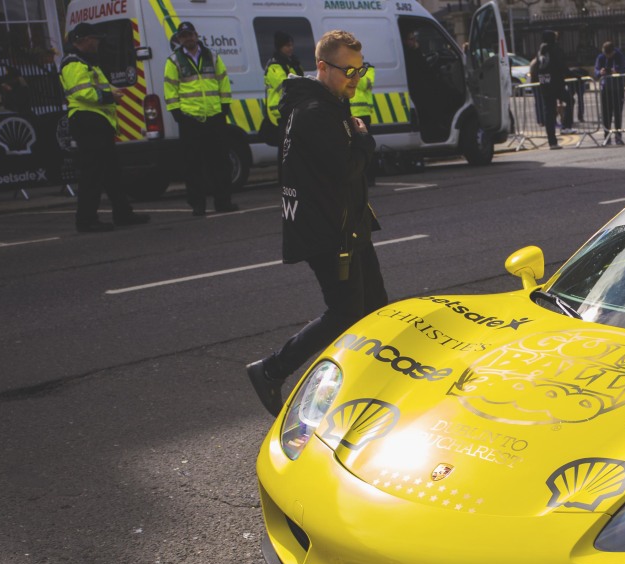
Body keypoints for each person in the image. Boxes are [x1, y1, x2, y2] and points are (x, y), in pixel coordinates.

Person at [246, 30, 385, 416]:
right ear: (323, 66)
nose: (355, 79)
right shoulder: (314, 113)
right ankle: (272, 370)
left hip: (348, 223)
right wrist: (362, 138)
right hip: (329, 229)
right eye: (348, 71)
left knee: (376, 309)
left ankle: (374, 384)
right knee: (343, 313)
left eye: (361, 70)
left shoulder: (326, 102)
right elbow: (346, 167)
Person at [60, 23, 149, 233]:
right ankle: (86, 220)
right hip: (87, 120)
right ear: (84, 40)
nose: (98, 42)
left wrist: (111, 91)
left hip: (98, 121)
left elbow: (95, 87)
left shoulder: (87, 62)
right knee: (92, 174)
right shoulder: (73, 62)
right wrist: (110, 96)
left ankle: (123, 213)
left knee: (111, 172)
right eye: (95, 39)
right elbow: (81, 92)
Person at [164, 21, 237, 216]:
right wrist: (177, 114)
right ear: (179, 39)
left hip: (214, 117)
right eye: (183, 36)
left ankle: (223, 202)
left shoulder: (211, 57)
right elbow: (170, 89)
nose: (188, 38)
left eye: (190, 34)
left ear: (196, 35)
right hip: (190, 120)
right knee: (193, 165)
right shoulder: (174, 61)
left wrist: (224, 107)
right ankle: (198, 205)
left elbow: (223, 82)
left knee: (220, 163)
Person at [263, 31, 303, 146]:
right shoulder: (275, 65)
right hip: (280, 110)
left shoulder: (292, 62)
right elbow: (284, 85)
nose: (291, 48)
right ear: (280, 47)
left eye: (291, 45)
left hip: (291, 107)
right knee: (285, 147)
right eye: (287, 46)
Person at [532, 30, 569, 149]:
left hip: (544, 83)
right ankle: (566, 126)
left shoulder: (540, 51)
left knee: (549, 112)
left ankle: (552, 142)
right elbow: (562, 66)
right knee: (570, 100)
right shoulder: (555, 49)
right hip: (556, 83)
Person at [594, 40, 625, 144]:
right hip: (605, 89)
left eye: (609, 54)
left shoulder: (619, 55)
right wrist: (600, 72)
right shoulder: (601, 57)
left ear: (613, 51)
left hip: (617, 88)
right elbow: (596, 70)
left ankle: (618, 136)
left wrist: (616, 71)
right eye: (606, 54)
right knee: (606, 114)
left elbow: (624, 69)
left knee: (618, 114)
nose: (607, 56)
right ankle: (607, 136)